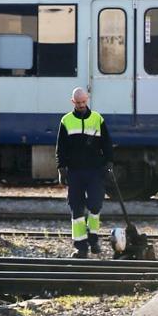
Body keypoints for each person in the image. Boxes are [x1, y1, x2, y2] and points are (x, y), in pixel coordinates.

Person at [55, 87, 113, 258]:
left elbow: (107, 144)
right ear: (73, 102)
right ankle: (80, 247)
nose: (81, 105)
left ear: (87, 100)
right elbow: (61, 148)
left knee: (95, 205)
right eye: (78, 103)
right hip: (75, 172)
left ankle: (93, 238)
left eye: (83, 102)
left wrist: (109, 163)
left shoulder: (97, 119)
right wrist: (61, 168)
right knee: (76, 208)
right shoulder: (66, 121)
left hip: (95, 171)